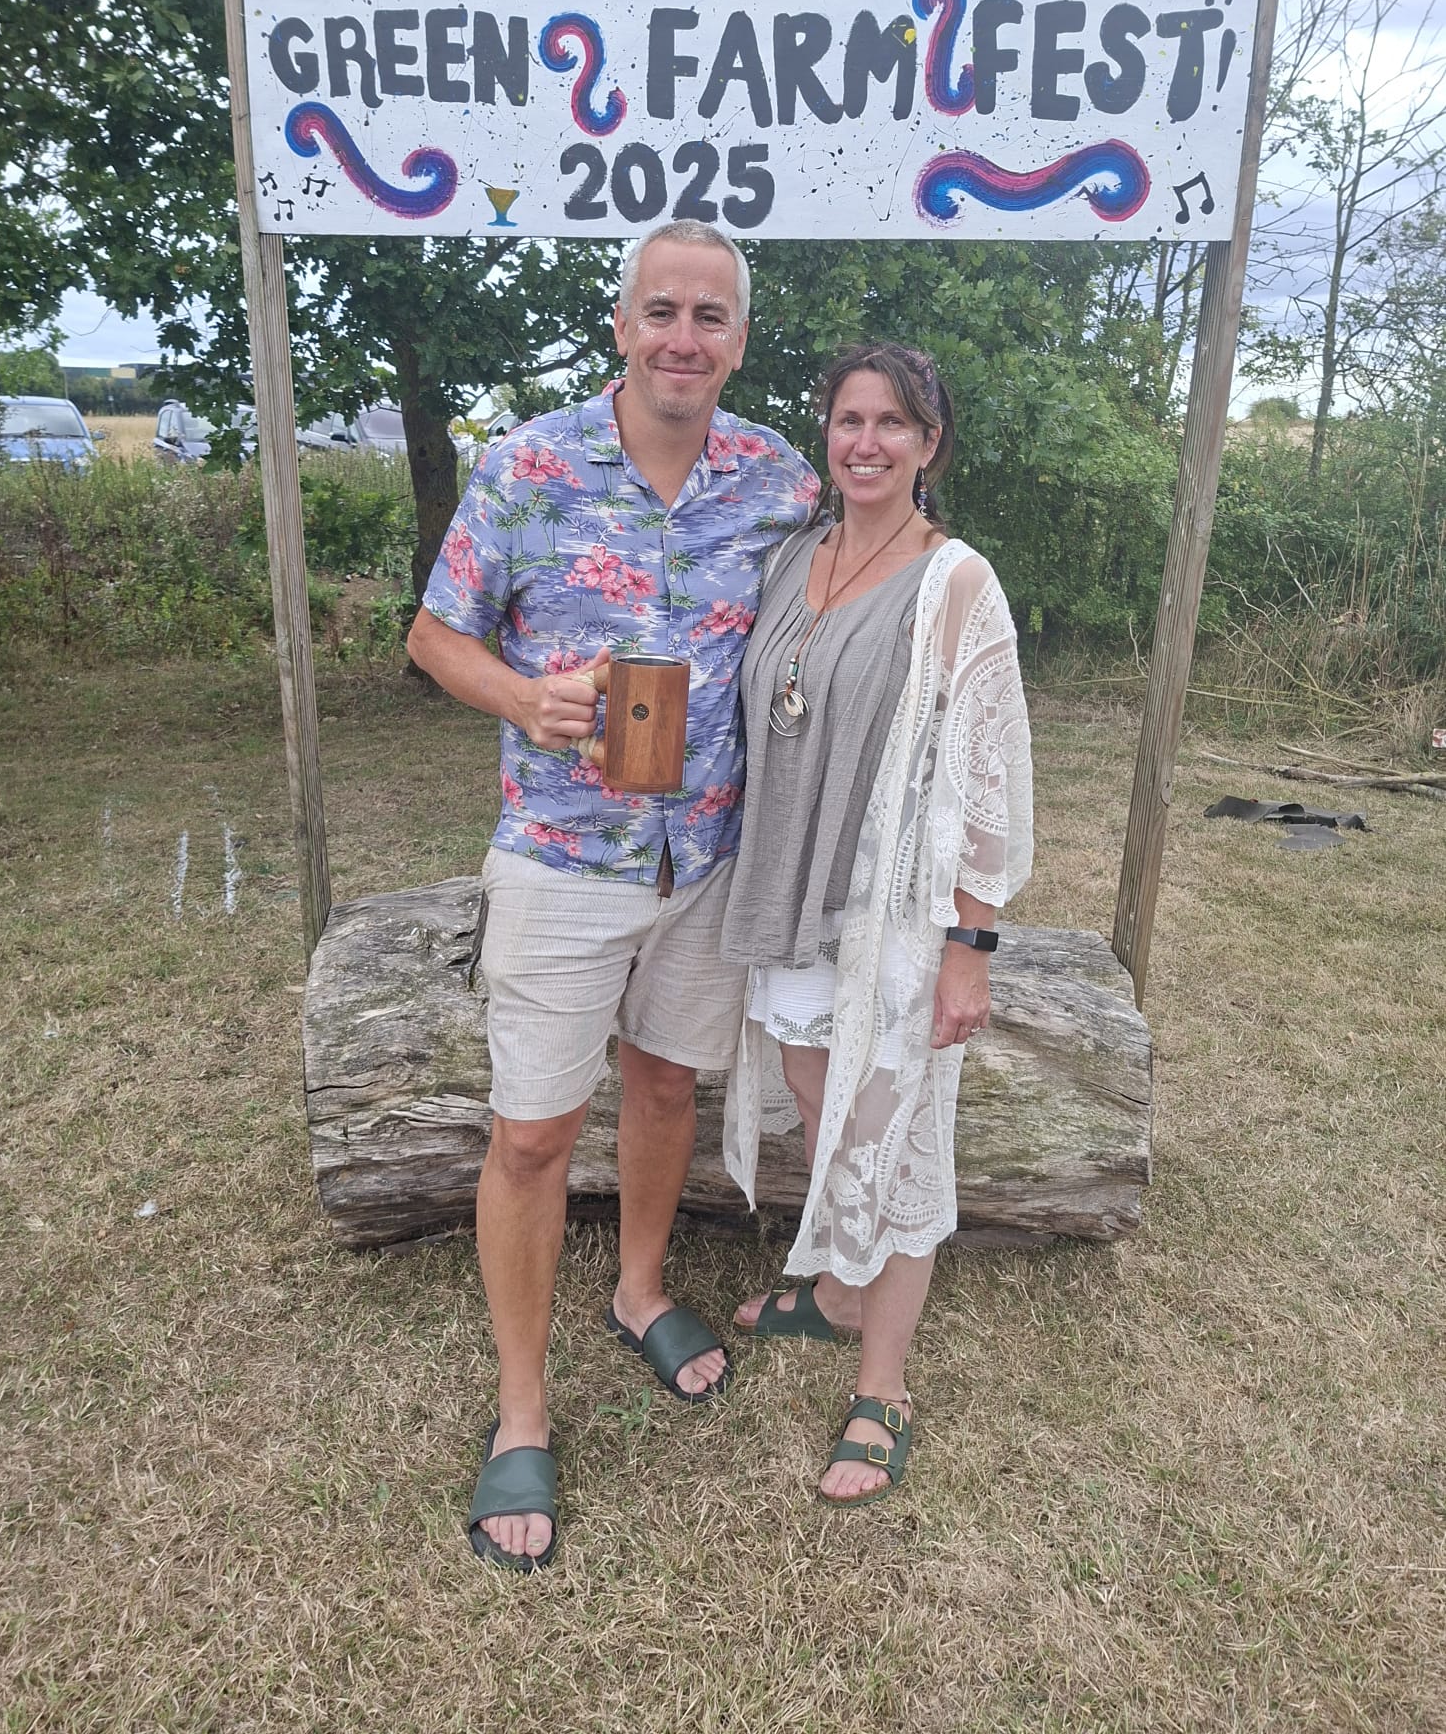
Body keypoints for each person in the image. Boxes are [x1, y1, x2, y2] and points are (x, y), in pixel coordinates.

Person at [406, 220, 818, 1572]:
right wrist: (525, 697)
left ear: (738, 339)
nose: (683, 338)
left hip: (708, 854)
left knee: (665, 1086)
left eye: (710, 316)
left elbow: (859, 588)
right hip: (562, 854)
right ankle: (522, 1407)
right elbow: (433, 634)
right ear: (623, 324)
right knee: (532, 1135)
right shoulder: (528, 464)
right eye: (662, 311)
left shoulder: (780, 480)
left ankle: (639, 1291)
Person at [719, 342, 1033, 1503]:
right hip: (788, 890)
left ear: (928, 442)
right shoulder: (793, 556)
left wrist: (970, 944)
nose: (866, 442)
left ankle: (883, 1385)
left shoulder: (957, 582)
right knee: (818, 1093)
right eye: (849, 420)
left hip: (893, 909)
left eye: (892, 423)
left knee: (894, 1133)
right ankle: (842, 1287)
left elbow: (991, 771)